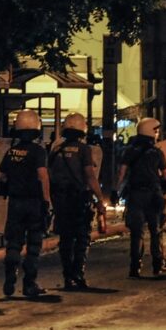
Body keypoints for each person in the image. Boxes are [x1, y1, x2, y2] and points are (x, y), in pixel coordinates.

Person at [49, 113, 107, 289]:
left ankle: (68, 276)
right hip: (78, 199)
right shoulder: (84, 150)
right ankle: (78, 275)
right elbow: (90, 176)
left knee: (65, 239)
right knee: (81, 238)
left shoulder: (55, 150)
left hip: (60, 200)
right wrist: (99, 199)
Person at [0, 109, 51, 297]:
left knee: (13, 243)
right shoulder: (38, 151)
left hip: (15, 202)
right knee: (34, 245)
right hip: (34, 202)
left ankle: (9, 279)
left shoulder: (11, 151)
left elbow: (1, 176)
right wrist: (47, 201)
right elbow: (42, 176)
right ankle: (29, 284)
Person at [116, 117, 166, 278]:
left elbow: (122, 173)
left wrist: (115, 190)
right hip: (153, 194)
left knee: (136, 232)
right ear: (150, 131)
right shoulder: (156, 151)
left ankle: (134, 267)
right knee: (156, 230)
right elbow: (165, 172)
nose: (157, 133)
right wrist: (165, 185)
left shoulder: (130, 150)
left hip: (135, 195)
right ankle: (157, 265)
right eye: (156, 130)